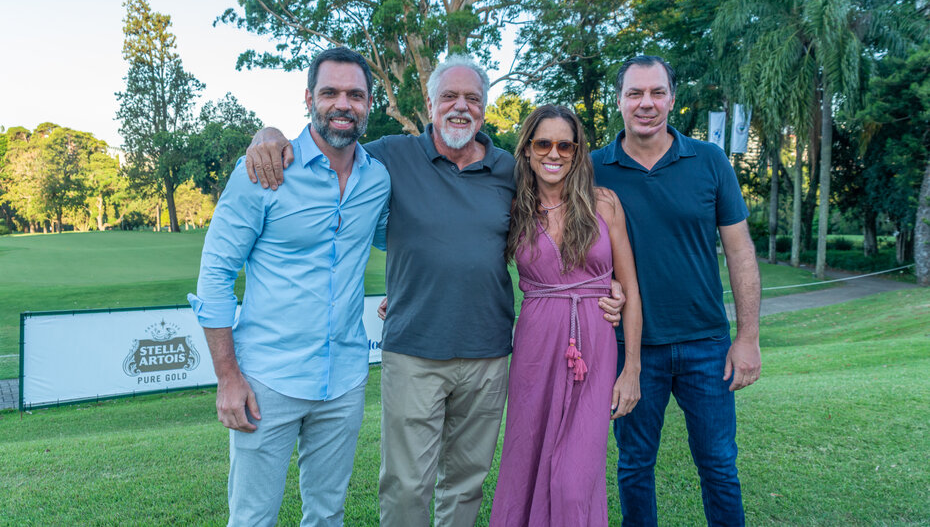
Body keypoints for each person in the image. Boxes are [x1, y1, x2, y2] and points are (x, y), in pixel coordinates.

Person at [244, 54, 625, 527]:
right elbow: (331, 144)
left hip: (488, 354)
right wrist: (269, 135)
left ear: (484, 108)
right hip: (414, 352)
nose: (460, 106)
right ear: (430, 104)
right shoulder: (391, 156)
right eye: (449, 96)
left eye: (472, 98)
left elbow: (565, 206)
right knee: (406, 486)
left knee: (465, 484)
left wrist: (603, 281)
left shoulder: (511, 171)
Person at [188, 46, 391, 527]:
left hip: (344, 379)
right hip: (266, 380)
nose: (343, 104)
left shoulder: (378, 180)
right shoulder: (263, 170)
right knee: (253, 518)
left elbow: (410, 240)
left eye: (355, 95)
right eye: (330, 92)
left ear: (369, 103)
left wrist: (405, 289)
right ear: (308, 98)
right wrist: (228, 377)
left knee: (328, 515)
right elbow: (215, 275)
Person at [591, 55, 762, 527]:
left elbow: (740, 253)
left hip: (706, 345)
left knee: (719, 466)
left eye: (657, 92)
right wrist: (604, 283)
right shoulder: (593, 169)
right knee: (634, 466)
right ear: (619, 100)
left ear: (672, 99)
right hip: (631, 349)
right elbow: (574, 248)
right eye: (635, 93)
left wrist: (748, 338)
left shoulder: (709, 160)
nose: (646, 103)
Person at [489, 105, 643, 526]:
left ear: (578, 152)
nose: (553, 153)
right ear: (527, 149)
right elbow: (467, 256)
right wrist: (406, 292)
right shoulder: (514, 208)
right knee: (525, 462)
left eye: (565, 145)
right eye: (543, 143)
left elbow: (629, 290)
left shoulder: (604, 204)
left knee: (574, 480)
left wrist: (631, 369)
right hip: (536, 349)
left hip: (595, 348)